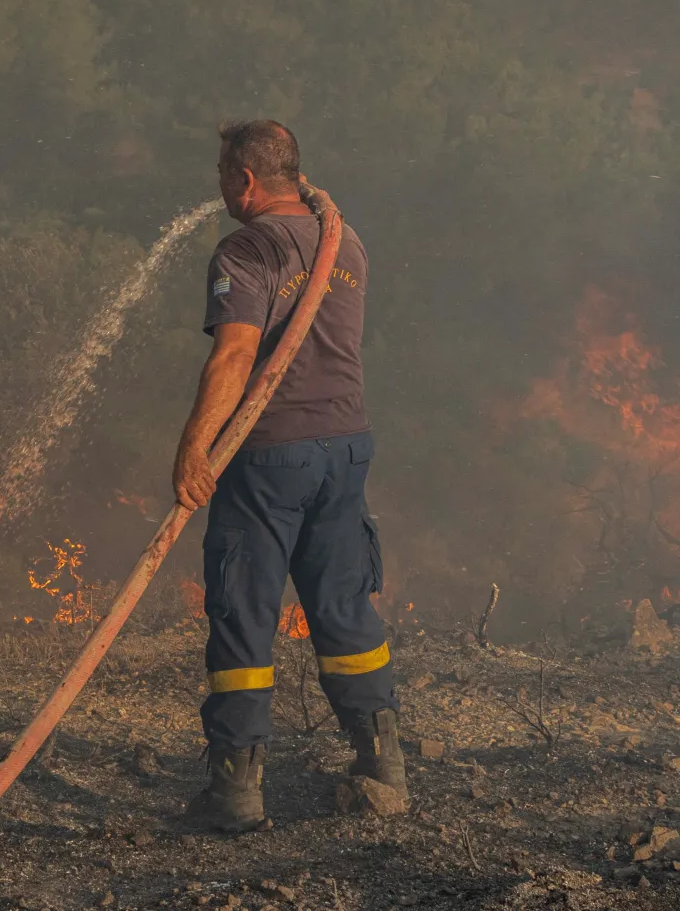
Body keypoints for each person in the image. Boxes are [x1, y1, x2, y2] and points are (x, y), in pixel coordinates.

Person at [171, 119, 402, 832]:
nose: (217, 187)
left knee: (244, 613)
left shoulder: (247, 248)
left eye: (221, 174)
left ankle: (236, 794)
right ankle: (382, 767)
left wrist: (193, 449)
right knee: (343, 608)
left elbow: (234, 357)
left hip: (270, 456)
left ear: (245, 178)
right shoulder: (345, 241)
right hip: (346, 448)